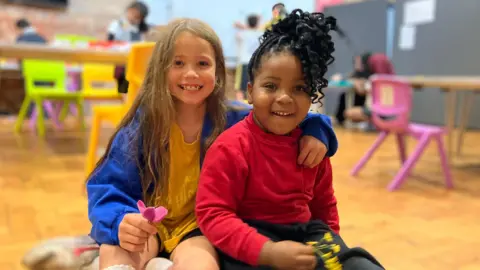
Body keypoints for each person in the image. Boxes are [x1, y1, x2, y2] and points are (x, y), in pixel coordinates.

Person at [86, 18, 339, 270]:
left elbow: (284, 115)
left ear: (218, 72)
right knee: (116, 254)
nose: (191, 73)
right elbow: (107, 186)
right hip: (143, 223)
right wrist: (119, 220)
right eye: (178, 63)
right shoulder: (142, 126)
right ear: (160, 69)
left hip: (198, 228)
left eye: (203, 63)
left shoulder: (233, 119)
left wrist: (318, 129)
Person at [196, 9, 385, 270]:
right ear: (250, 92)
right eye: (271, 86)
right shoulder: (230, 147)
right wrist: (267, 252)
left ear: (312, 97)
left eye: (299, 88)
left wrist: (333, 250)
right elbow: (213, 214)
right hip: (251, 238)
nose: (284, 98)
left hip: (309, 235)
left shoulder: (313, 144)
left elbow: (324, 205)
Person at [108, 1, 150, 94]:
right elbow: (110, 41)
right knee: (123, 79)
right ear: (129, 10)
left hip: (137, 60)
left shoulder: (142, 29)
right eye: (133, 15)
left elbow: (145, 43)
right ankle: (125, 98)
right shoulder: (117, 24)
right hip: (122, 59)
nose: (134, 19)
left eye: (138, 18)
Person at [343, 53, 395, 123]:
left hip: (377, 110)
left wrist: (358, 84)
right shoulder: (394, 81)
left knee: (348, 113)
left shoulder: (374, 81)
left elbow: (361, 91)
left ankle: (375, 123)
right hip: (392, 111)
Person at [236, 14, 263, 93]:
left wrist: (243, 26)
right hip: (256, 63)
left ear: (247, 23)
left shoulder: (242, 33)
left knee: (240, 88)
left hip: (244, 63)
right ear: (257, 23)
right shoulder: (261, 33)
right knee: (256, 86)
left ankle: (240, 104)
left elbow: (237, 35)